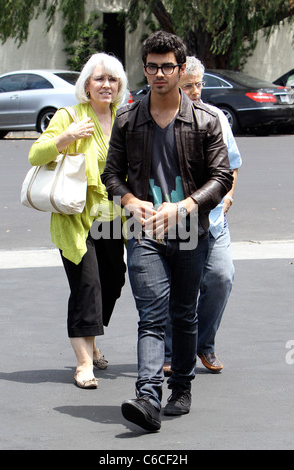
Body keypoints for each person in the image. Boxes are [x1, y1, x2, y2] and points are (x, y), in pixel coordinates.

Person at [102, 31, 233, 431]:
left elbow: (222, 176)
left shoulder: (206, 120)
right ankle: (147, 396)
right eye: (153, 66)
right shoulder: (128, 119)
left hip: (191, 230)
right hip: (144, 232)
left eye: (167, 67)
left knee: (183, 313)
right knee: (152, 315)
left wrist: (186, 205)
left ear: (180, 69)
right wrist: (129, 201)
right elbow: (111, 175)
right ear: (145, 69)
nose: (160, 73)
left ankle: (182, 386)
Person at [28, 53, 127, 389]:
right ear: (87, 84)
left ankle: (93, 338)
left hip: (112, 217)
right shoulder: (69, 115)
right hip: (76, 217)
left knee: (113, 283)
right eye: (99, 79)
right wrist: (66, 137)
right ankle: (84, 363)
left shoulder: (124, 118)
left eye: (112, 79)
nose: (106, 85)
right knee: (87, 286)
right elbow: (35, 155)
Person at [163, 56, 242, 376]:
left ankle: (203, 344)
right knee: (177, 287)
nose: (196, 91)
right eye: (189, 86)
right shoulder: (162, 118)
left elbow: (232, 163)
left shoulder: (217, 118)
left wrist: (230, 195)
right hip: (178, 222)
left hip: (213, 221)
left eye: (199, 84)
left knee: (221, 278)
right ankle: (170, 351)